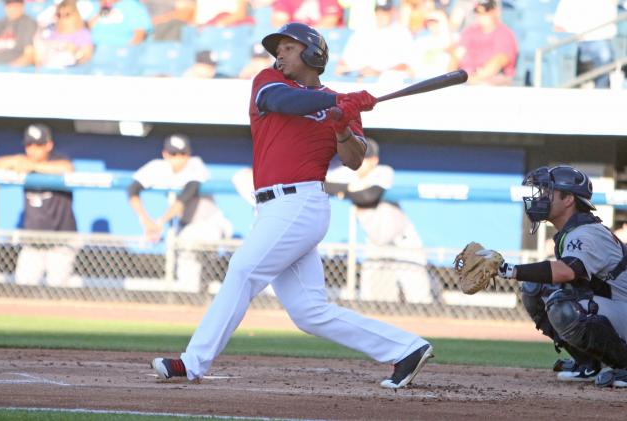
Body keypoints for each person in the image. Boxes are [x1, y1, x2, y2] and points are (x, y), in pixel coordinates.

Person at [151, 22, 433, 389]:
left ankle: (192, 363)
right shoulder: (270, 82)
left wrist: (343, 124)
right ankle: (407, 348)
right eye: (278, 48)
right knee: (309, 312)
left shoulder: (338, 102)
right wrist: (335, 102)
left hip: (301, 202)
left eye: (288, 47)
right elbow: (280, 102)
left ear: (313, 54)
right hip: (271, 208)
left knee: (242, 271)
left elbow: (353, 160)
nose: (279, 54)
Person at [485, 165, 627, 388]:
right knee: (536, 288)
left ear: (569, 198)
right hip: (617, 309)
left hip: (623, 308)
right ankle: (588, 363)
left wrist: (509, 270)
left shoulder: (587, 232)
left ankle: (624, 366)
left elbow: (566, 271)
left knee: (566, 306)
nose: (541, 197)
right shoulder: (572, 232)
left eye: (547, 192)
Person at [325, 138, 437, 303]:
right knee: (374, 301)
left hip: (403, 242)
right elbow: (323, 183)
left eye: (364, 158)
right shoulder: (347, 173)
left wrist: (345, 191)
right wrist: (351, 190)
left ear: (374, 160)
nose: (358, 161)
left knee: (420, 299)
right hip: (376, 244)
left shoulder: (383, 171)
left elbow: (369, 195)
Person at [127, 134, 232, 292]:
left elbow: (188, 193)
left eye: (183, 154)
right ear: (165, 154)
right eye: (173, 154)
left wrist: (160, 222)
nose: (179, 158)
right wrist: (145, 220)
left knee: (190, 247)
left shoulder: (196, 164)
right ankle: (192, 301)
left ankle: (204, 294)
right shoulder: (158, 167)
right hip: (186, 225)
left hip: (211, 223)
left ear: (188, 154)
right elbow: (133, 189)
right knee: (188, 276)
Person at [0, 124, 77, 286]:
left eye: (38, 145)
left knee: (57, 289)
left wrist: (33, 166)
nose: (33, 149)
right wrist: (18, 160)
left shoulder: (58, 161)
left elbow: (68, 169)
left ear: (48, 145)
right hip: (32, 242)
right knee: (23, 288)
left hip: (60, 241)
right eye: (29, 145)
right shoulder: (22, 162)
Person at [335, 0, 413, 83]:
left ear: (392, 12)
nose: (381, 15)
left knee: (391, 76)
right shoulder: (362, 31)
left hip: (388, 80)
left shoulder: (402, 32)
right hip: (360, 77)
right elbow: (343, 63)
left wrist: (378, 73)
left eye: (385, 12)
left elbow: (406, 65)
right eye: (379, 11)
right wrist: (359, 71)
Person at [449, 0, 517, 86]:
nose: (481, 15)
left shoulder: (504, 33)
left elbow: (499, 61)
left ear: (496, 12)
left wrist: (473, 79)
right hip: (465, 79)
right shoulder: (469, 31)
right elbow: (456, 56)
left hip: (492, 82)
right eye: (478, 12)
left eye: (486, 11)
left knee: (484, 83)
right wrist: (450, 79)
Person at [553, 0, 617, 89]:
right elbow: (558, 26)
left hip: (597, 40)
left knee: (604, 54)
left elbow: (610, 28)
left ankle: (601, 90)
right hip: (572, 42)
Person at [33, 0, 93, 68]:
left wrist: (75, 53)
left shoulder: (83, 34)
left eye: (67, 14)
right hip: (47, 70)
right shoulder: (49, 33)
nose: (62, 18)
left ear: (75, 15)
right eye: (59, 15)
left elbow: (86, 57)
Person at [0, 0, 37, 66]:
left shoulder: (28, 23)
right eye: (10, 5)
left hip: (14, 70)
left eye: (16, 5)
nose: (13, 8)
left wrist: (9, 70)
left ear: (22, 6)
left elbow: (29, 55)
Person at [271, 0, 343, 29]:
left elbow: (330, 21)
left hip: (323, 41)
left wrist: (308, 36)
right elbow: (279, 22)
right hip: (293, 40)